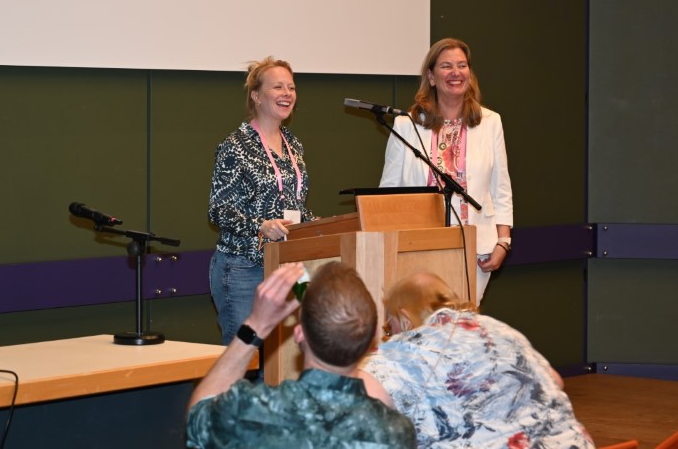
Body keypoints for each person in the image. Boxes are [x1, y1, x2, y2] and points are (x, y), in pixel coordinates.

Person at [187, 262, 416, 448]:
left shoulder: (254, 411)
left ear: (299, 334)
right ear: (372, 339)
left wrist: (257, 324)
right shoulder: (396, 432)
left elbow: (198, 418)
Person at [359, 271, 594, 449]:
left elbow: (363, 401)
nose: (390, 333)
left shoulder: (404, 349)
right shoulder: (500, 329)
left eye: (390, 325)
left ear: (405, 318)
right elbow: (555, 381)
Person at [379, 38, 512, 303]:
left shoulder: (490, 122)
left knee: (464, 321)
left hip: (476, 247)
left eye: (462, 65)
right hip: (418, 246)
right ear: (431, 76)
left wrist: (503, 241)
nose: (456, 73)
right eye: (446, 66)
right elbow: (388, 193)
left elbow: (501, 188)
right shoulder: (406, 124)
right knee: (424, 320)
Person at [208, 57, 313, 346]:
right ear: (256, 96)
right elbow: (218, 210)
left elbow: (294, 205)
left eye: (291, 87)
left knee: (285, 357)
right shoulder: (236, 146)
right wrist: (261, 225)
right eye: (277, 87)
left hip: (287, 265)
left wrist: (319, 224)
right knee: (246, 355)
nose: (287, 93)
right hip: (243, 268)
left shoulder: (293, 144)